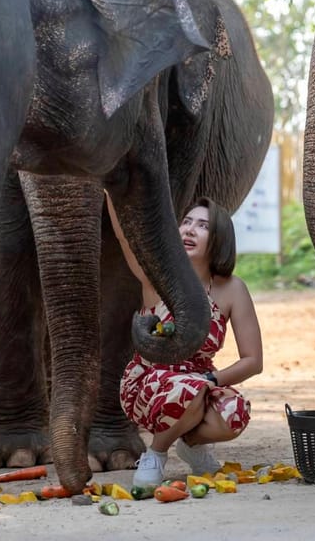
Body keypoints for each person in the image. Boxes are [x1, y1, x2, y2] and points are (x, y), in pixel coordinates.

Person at [106, 194, 263, 487]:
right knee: (188, 390)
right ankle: (156, 453)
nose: (189, 230)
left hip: (201, 381)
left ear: (219, 239)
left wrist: (210, 380)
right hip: (148, 382)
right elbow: (126, 239)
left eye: (202, 226)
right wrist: (111, 191)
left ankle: (191, 444)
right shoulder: (159, 278)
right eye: (186, 222)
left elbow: (253, 361)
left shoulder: (232, 289)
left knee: (235, 414)